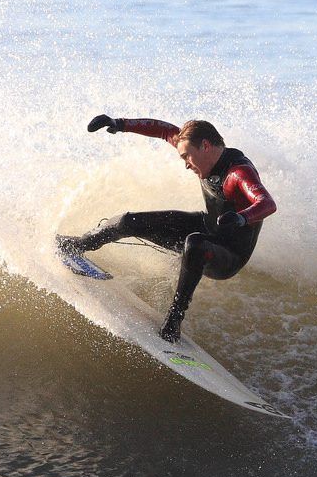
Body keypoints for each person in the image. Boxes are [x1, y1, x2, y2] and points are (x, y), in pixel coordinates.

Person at [57, 114, 277, 343]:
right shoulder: (196, 148)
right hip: (206, 227)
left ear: (206, 146)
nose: (185, 164)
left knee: (195, 244)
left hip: (227, 255)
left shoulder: (238, 173)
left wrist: (241, 218)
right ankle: (77, 245)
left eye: (187, 157)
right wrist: (119, 124)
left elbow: (267, 203)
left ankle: (174, 321)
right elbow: (163, 130)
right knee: (128, 221)